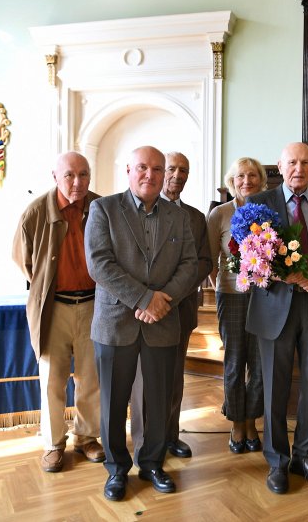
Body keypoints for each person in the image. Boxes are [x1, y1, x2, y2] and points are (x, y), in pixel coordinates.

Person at [84, 145, 198, 501]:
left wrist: (162, 301)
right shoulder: (103, 209)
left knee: (157, 401)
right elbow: (100, 264)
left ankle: (152, 464)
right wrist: (144, 298)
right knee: (114, 402)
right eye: (143, 168)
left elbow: (191, 264)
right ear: (129, 171)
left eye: (158, 169)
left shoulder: (178, 216)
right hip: (116, 322)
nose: (151, 175)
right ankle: (117, 469)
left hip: (163, 322)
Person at [245, 142, 308, 494]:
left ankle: (306, 456)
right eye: (292, 162)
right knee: (275, 387)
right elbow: (247, 258)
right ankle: (277, 462)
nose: (298, 168)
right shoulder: (258, 204)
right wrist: (273, 274)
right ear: (279, 165)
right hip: (275, 307)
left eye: (305, 162)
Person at [12, 151, 105, 473]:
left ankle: (87, 437)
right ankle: (53, 443)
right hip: (55, 308)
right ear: (55, 177)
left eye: (83, 174)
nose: (77, 182)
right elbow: (24, 261)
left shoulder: (100, 207)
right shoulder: (36, 212)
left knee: (90, 379)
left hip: (94, 306)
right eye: (69, 175)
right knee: (52, 380)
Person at [130, 152, 212, 462]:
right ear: (162, 171)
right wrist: (149, 299)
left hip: (180, 309)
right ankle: (143, 442)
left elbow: (202, 262)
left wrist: (169, 297)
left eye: (184, 170)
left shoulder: (194, 217)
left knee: (174, 377)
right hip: (140, 311)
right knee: (143, 381)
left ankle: (169, 436)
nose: (177, 175)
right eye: (173, 168)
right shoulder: (138, 209)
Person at [207, 157, 268, 453]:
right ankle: (235, 421)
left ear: (261, 179)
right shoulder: (219, 214)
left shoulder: (269, 212)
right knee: (234, 361)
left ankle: (252, 421)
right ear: (232, 180)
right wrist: (223, 284)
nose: (247, 180)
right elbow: (210, 260)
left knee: (257, 363)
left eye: (253, 175)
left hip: (264, 298)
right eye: (241, 176)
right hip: (231, 296)